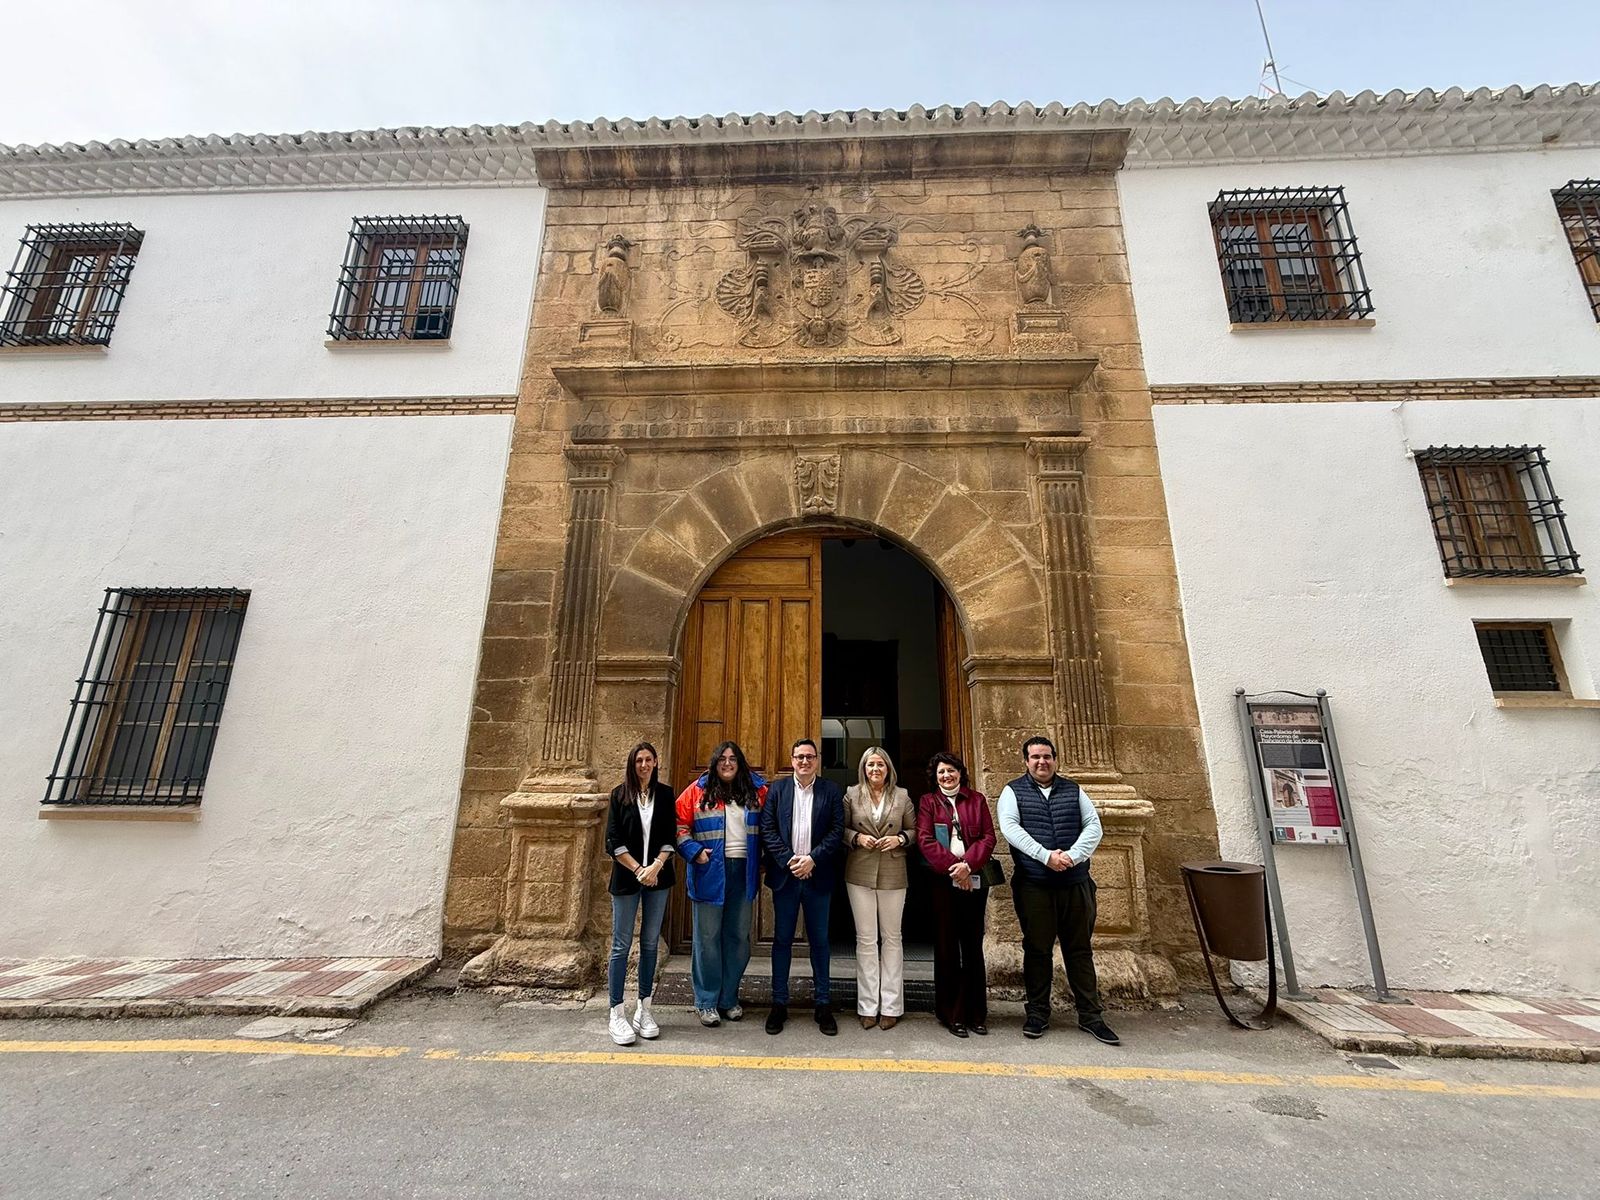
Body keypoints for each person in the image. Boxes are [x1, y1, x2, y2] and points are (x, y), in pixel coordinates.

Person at [997, 735, 1120, 1045]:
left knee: (1079, 950)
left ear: (1055, 759)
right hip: (1034, 885)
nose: (1042, 762)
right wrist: (1045, 856)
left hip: (1075, 883)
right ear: (1025, 761)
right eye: (1035, 757)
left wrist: (1071, 856)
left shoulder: (1074, 790)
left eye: (1047, 756)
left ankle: (1091, 1016)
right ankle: (1037, 1013)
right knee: (1037, 950)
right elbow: (1011, 828)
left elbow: (1093, 826)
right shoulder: (1013, 791)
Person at [675, 740, 767, 1027]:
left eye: (733, 759)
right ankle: (706, 1001)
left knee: (738, 937)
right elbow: (678, 826)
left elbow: (772, 827)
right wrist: (694, 852)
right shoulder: (696, 792)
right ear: (714, 764)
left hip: (744, 870)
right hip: (709, 869)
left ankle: (729, 998)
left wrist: (766, 860)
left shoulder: (758, 792)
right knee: (707, 939)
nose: (727, 763)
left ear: (740, 763)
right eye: (722, 759)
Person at [760, 737, 846, 1036]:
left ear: (817, 759)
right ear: (792, 759)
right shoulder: (777, 789)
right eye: (799, 757)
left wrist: (812, 860)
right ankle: (779, 1003)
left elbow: (836, 831)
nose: (805, 762)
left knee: (820, 942)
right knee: (782, 941)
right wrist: (789, 860)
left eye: (810, 757)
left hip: (817, 876)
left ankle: (823, 1004)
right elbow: (767, 829)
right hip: (786, 877)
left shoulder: (831, 790)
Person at [916, 751, 997, 1038]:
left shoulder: (977, 800)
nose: (946, 776)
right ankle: (951, 1012)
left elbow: (988, 837)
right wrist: (955, 868)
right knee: (947, 944)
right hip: (942, 881)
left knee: (973, 946)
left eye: (951, 770)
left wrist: (968, 865)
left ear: (961, 773)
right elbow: (924, 839)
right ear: (934, 777)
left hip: (974, 879)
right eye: (941, 772)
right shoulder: (928, 803)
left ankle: (977, 1013)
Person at [603, 741, 678, 1045]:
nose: (644, 765)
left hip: (658, 878)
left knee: (649, 943)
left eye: (648, 760)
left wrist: (656, 866)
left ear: (656, 762)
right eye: (638, 761)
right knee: (621, 945)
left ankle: (644, 1008)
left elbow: (670, 835)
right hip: (627, 879)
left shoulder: (665, 794)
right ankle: (616, 1012)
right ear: (632, 765)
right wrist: (638, 870)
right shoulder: (619, 796)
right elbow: (613, 839)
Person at [842, 746, 916, 1030]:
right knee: (865, 939)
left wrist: (900, 839)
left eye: (880, 765)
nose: (875, 770)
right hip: (859, 871)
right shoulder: (851, 794)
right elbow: (841, 830)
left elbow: (915, 831)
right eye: (871, 765)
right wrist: (857, 838)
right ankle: (867, 1006)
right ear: (863, 768)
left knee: (892, 938)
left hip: (893, 871)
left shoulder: (902, 796)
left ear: (888, 769)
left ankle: (892, 1005)